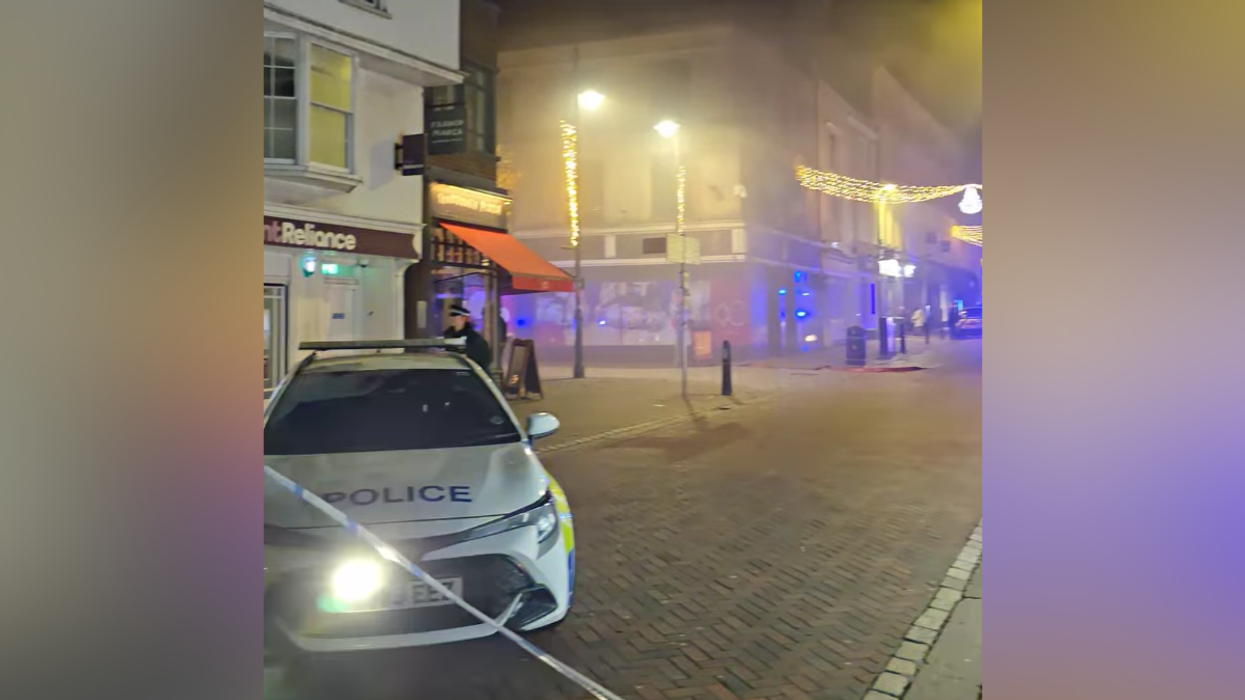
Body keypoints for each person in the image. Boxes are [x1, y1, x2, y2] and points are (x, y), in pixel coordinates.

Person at [444, 303, 492, 373]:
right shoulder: (447, 335)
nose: (452, 319)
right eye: (451, 317)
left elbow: (482, 362)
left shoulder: (474, 339)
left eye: (455, 317)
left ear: (464, 319)